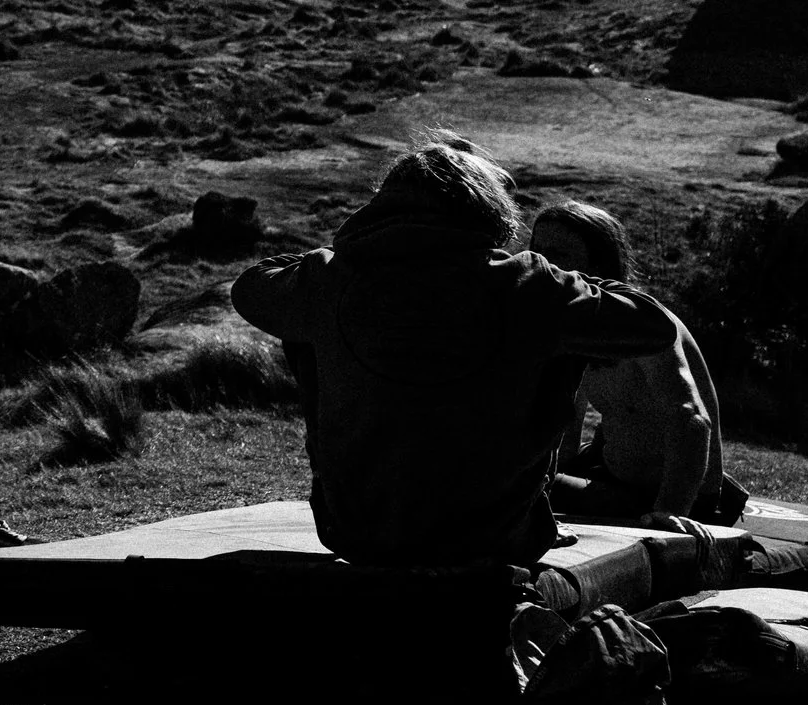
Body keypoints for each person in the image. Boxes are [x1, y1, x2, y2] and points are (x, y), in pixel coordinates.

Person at [231, 138, 680, 567]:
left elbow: (252, 286)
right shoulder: (528, 283)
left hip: (356, 532)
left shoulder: (328, 276)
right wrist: (563, 282)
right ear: (486, 207)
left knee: (301, 317)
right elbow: (654, 325)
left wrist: (359, 242)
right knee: (556, 334)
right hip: (497, 535)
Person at [526, 200, 746, 526]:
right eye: (537, 251)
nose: (544, 263)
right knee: (518, 479)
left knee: (509, 489)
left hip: (676, 497)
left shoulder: (642, 325)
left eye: (559, 254)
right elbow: (567, 423)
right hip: (612, 478)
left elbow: (691, 419)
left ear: (598, 263)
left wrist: (669, 512)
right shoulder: (572, 322)